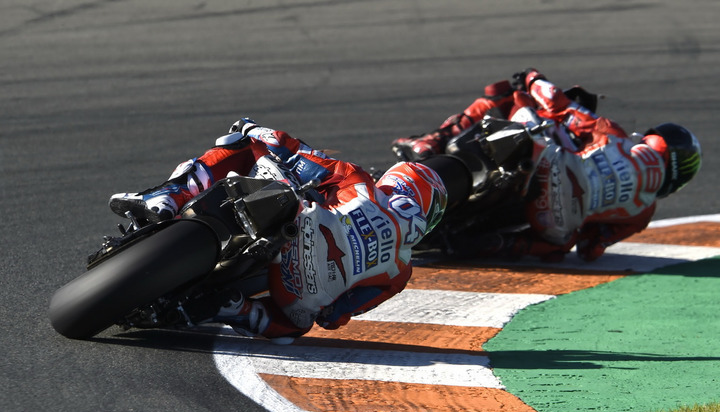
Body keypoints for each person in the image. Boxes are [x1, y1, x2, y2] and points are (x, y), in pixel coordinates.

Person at [109, 119, 467, 341]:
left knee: (242, 147)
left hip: (302, 227)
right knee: (296, 328)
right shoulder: (399, 273)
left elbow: (294, 149)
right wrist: (324, 302)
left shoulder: (359, 181)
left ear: (394, 181)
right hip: (298, 293)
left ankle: (168, 196)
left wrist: (253, 129)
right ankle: (235, 309)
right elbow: (338, 316)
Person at [392, 68, 702, 262]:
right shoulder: (642, 214)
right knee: (557, 247)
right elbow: (591, 249)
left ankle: (433, 140)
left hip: (551, 162)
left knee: (507, 97)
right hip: (555, 219)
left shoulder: (616, 136)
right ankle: (496, 244)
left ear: (652, 140)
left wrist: (532, 78)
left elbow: (561, 106)